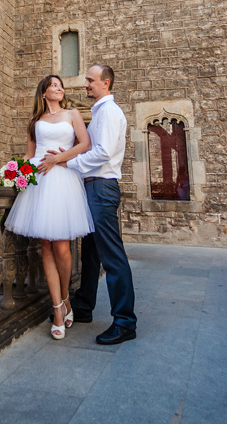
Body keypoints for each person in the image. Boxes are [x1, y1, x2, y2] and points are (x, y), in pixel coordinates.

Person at [39, 64, 137, 345]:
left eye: (91, 81)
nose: (86, 85)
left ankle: (125, 321)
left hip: (102, 187)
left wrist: (66, 162)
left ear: (105, 83)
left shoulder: (108, 112)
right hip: (92, 186)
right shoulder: (99, 112)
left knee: (112, 255)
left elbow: (102, 152)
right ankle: (83, 306)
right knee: (91, 253)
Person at [4, 74, 94, 340]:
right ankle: (57, 309)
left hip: (63, 180)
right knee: (45, 245)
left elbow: (85, 144)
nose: (58, 88)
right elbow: (30, 154)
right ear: (44, 92)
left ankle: (66, 296)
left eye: (60, 85)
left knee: (62, 248)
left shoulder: (73, 113)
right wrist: (12, 171)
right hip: (40, 183)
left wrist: (58, 159)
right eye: (53, 85)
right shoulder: (35, 121)